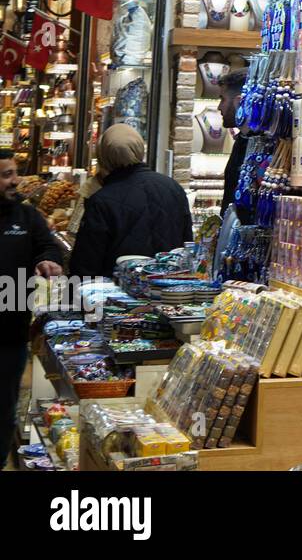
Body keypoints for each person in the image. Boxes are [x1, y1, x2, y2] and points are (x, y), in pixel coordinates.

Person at [0, 149, 62, 466]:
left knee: (4, 407)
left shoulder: (27, 217)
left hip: (10, 333)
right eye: (6, 175)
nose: (15, 181)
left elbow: (47, 245)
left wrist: (48, 260)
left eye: (14, 173)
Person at [68, 125, 194, 278]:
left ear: (104, 156)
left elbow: (86, 264)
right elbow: (187, 246)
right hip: (169, 291)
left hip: (117, 294)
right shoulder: (173, 188)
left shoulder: (102, 200)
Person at [218, 69, 251, 221]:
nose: (219, 107)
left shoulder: (255, 147)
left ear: (239, 102)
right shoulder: (243, 141)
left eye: (222, 99)